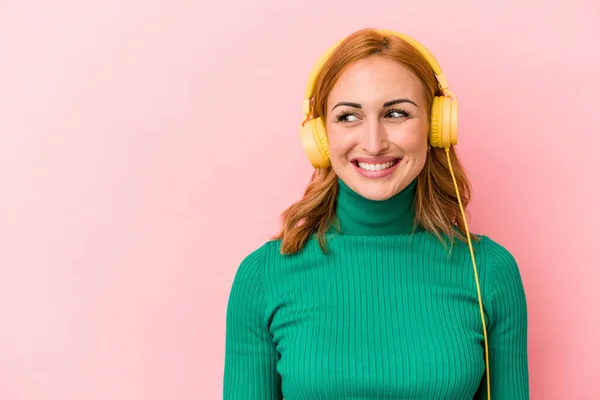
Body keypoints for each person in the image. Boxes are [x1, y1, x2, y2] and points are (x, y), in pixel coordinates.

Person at [222, 27, 529, 400]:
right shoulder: (262, 277)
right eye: (348, 117)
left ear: (435, 127)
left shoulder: (490, 273)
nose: (373, 142)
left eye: (397, 113)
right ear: (320, 137)